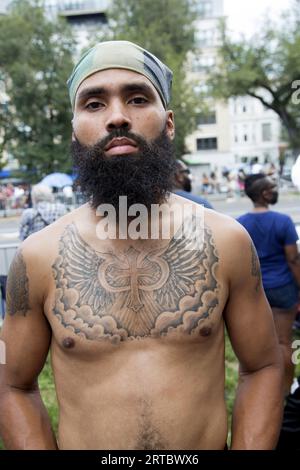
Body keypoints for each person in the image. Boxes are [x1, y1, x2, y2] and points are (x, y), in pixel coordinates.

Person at [0, 40, 283, 450]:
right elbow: (12, 385)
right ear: (75, 130)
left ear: (168, 123)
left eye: (136, 98)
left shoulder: (227, 241)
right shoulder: (39, 256)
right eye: (94, 104)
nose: (117, 117)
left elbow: (263, 366)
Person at [237, 174, 300, 395]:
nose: (275, 190)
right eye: (272, 187)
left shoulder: (240, 223)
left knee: (253, 346)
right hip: (283, 289)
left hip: (254, 291)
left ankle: (257, 390)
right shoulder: (282, 221)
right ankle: (287, 389)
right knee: (284, 342)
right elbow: (293, 259)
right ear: (265, 193)